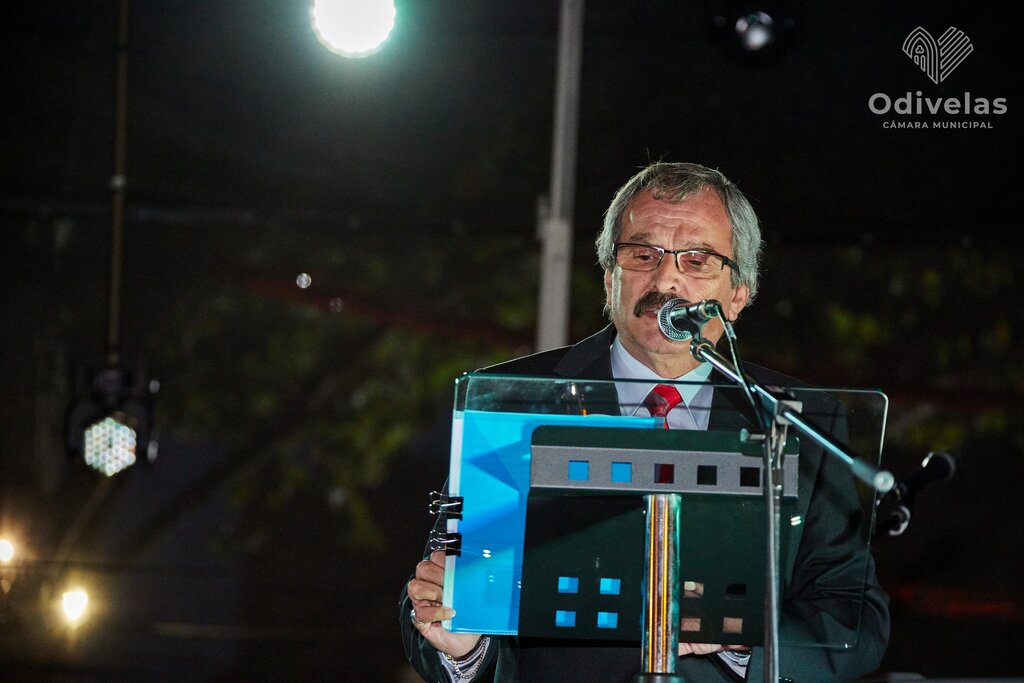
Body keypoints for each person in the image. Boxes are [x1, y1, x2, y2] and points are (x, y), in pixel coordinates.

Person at [400, 162, 890, 682]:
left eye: (697, 260)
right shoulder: (513, 401)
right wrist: (463, 645)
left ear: (738, 296)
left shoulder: (797, 421)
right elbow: (441, 594)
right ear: (609, 278)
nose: (665, 279)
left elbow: (855, 623)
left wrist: (743, 640)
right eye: (642, 254)